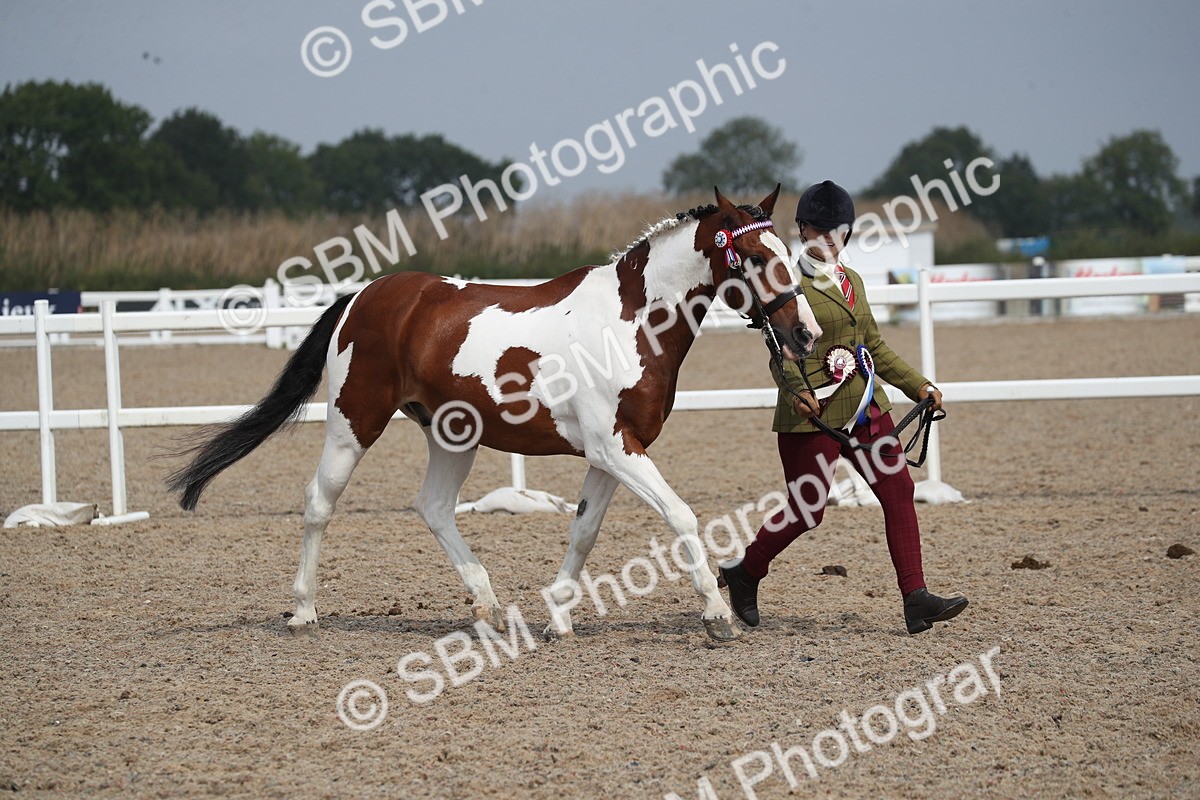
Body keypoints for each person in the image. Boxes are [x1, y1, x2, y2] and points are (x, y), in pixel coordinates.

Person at [719, 180, 968, 635]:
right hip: (814, 411)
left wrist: (919, 386)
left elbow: (873, 344)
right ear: (802, 230)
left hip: (866, 405)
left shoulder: (851, 281)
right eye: (821, 230)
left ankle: (916, 598)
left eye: (839, 230)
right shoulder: (784, 282)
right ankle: (746, 572)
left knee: (899, 492)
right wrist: (798, 392)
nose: (831, 238)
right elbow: (777, 347)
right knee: (807, 510)